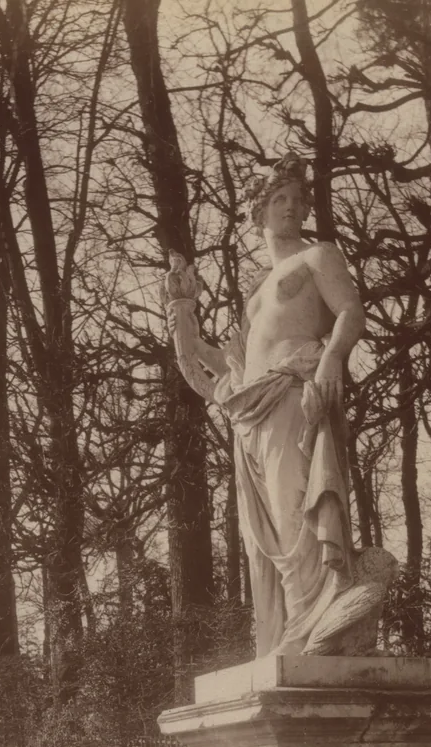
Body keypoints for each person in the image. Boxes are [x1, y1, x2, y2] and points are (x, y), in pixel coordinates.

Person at [164, 153, 392, 656]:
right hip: (256, 407)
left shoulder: (318, 257)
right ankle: (297, 622)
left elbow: (351, 313)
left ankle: (312, 622)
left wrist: (332, 358)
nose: (291, 208)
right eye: (279, 200)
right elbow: (227, 366)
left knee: (295, 512)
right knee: (265, 529)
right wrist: (182, 310)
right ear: (258, 212)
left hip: (293, 391)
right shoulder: (256, 292)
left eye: (298, 200)